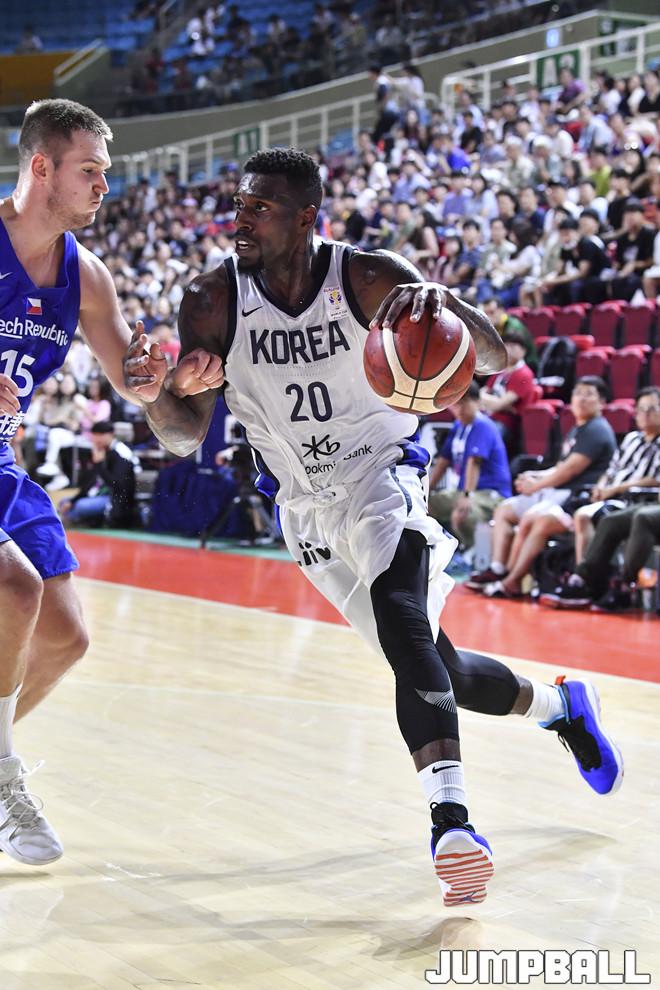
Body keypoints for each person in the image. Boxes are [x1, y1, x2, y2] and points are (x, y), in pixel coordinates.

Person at [124, 149, 624, 908]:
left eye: (260, 207)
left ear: (306, 217)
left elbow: (490, 357)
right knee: (438, 667)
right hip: (305, 508)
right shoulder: (213, 298)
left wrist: (443, 306)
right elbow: (184, 433)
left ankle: (452, 825)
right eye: (239, 205)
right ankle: (562, 708)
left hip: (382, 474)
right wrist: (158, 392)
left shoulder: (366, 276)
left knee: (401, 616)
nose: (241, 220)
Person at [0, 98, 222, 867]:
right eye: (90, 170)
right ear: (41, 167)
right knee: (15, 588)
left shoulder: (86, 276)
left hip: (1, 461)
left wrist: (172, 380)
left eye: (106, 172)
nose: (104, 186)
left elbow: (140, 388)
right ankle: (3, 779)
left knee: (65, 636)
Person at [468, 376, 616, 599]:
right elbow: (561, 466)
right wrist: (535, 475)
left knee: (531, 518)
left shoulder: (597, 430)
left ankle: (511, 580)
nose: (582, 399)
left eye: (589, 394)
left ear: (602, 402)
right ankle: (498, 569)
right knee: (504, 510)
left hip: (574, 496)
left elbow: (569, 471)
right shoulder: (579, 429)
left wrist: (535, 485)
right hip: (555, 492)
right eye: (578, 393)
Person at [540, 387, 660, 609]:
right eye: (641, 409)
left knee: (639, 516)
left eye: (652, 408)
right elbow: (611, 469)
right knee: (609, 521)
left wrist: (615, 489)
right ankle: (582, 580)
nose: (645, 414)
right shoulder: (632, 439)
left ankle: (623, 585)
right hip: (617, 499)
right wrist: (602, 486)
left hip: (641, 500)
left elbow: (654, 480)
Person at [428, 382, 512, 548]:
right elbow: (443, 462)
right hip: (464, 491)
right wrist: (425, 490)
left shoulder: (482, 425)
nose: (458, 409)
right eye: (454, 404)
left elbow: (474, 463)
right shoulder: (458, 426)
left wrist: (467, 495)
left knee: (462, 513)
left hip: (490, 493)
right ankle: (436, 549)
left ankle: (469, 553)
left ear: (477, 402)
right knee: (424, 505)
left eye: (463, 403)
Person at [58, 421, 137, 528]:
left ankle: (74, 524)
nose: (97, 439)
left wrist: (99, 464)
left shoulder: (121, 452)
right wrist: (73, 500)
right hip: (98, 494)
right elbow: (90, 483)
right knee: (64, 502)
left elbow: (118, 485)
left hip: (116, 499)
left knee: (80, 506)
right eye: (95, 435)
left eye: (101, 435)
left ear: (111, 434)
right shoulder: (100, 450)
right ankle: (74, 522)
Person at [479, 330, 536, 453]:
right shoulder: (500, 370)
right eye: (506, 345)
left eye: (513, 346)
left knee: (485, 436)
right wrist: (493, 402)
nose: (508, 350)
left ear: (523, 351)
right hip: (488, 417)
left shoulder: (524, 374)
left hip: (506, 424)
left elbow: (498, 404)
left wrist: (487, 400)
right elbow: (479, 394)